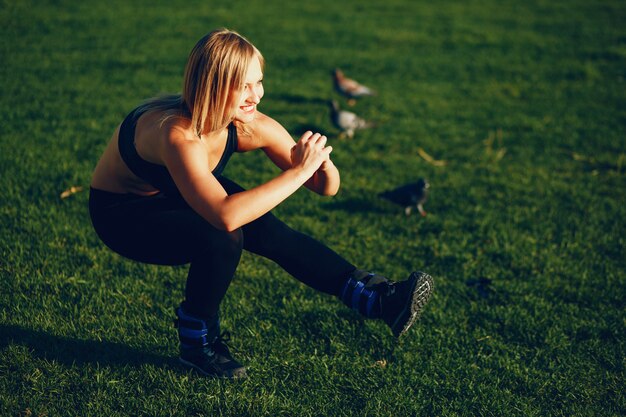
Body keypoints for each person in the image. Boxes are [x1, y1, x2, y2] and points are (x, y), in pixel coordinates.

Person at [89, 28, 434, 379]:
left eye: (259, 82)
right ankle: (198, 344)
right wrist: (299, 171)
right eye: (245, 85)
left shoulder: (247, 123)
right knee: (224, 235)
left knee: (269, 230)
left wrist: (319, 163)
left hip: (177, 191)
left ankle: (378, 298)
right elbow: (225, 216)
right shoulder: (176, 135)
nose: (258, 94)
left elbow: (326, 187)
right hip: (123, 215)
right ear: (214, 84)